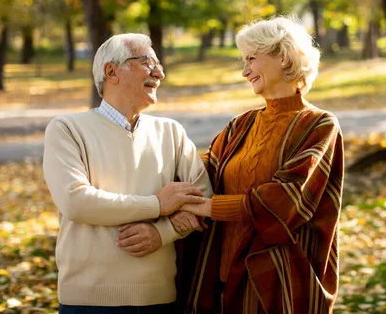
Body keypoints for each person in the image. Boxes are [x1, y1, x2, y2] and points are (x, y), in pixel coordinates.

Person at [180, 17, 345, 313]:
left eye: (251, 59)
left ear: (282, 57)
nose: (244, 72)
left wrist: (208, 207)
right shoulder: (241, 125)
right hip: (223, 280)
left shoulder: (318, 125)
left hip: (278, 286)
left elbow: (287, 199)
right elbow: (199, 171)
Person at [42, 33, 212, 314]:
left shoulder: (171, 132)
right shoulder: (66, 129)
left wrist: (163, 233)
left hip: (159, 298)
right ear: (112, 71)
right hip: (87, 302)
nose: (160, 72)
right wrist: (157, 204)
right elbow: (76, 201)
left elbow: (203, 199)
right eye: (148, 62)